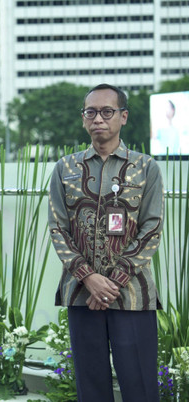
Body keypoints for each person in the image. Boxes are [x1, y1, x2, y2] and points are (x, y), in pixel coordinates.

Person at [48, 84, 164, 402]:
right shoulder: (65, 169)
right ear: (84, 119)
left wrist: (112, 283)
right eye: (91, 112)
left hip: (132, 297)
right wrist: (89, 277)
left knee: (139, 384)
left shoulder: (146, 167)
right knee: (91, 386)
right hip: (82, 296)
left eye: (107, 111)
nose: (99, 118)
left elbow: (152, 228)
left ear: (123, 117)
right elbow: (57, 228)